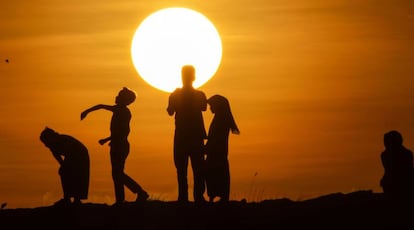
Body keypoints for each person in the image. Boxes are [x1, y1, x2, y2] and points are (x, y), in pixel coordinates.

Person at [81, 87, 149, 205]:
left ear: (124, 99)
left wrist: (107, 139)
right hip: (117, 145)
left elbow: (124, 132)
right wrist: (87, 111)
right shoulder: (119, 110)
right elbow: (102, 106)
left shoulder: (123, 112)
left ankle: (140, 192)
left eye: (119, 95)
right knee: (117, 173)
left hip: (120, 146)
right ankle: (120, 200)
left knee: (118, 173)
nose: (116, 97)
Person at [167, 65, 208, 204]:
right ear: (194, 76)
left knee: (186, 169)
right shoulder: (198, 94)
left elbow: (170, 111)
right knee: (193, 168)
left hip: (184, 135)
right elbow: (171, 111)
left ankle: (186, 197)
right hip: (191, 135)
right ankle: (194, 197)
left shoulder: (178, 94)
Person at [40, 127, 90, 206]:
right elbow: (57, 156)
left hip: (80, 154)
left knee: (77, 176)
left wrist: (65, 166)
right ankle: (68, 198)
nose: (45, 145)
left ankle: (73, 199)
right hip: (73, 156)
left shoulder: (61, 140)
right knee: (64, 172)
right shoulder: (53, 145)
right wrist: (63, 165)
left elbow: (71, 153)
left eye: (45, 142)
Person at [205, 95, 240, 203]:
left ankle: (216, 196)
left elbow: (216, 137)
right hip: (218, 152)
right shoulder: (221, 118)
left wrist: (206, 148)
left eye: (211, 105)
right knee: (216, 173)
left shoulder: (220, 119)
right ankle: (216, 196)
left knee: (214, 172)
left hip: (216, 152)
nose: (210, 108)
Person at [380, 130, 414, 202]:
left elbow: (405, 171)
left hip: (403, 184)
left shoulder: (406, 154)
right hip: (393, 184)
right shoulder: (385, 155)